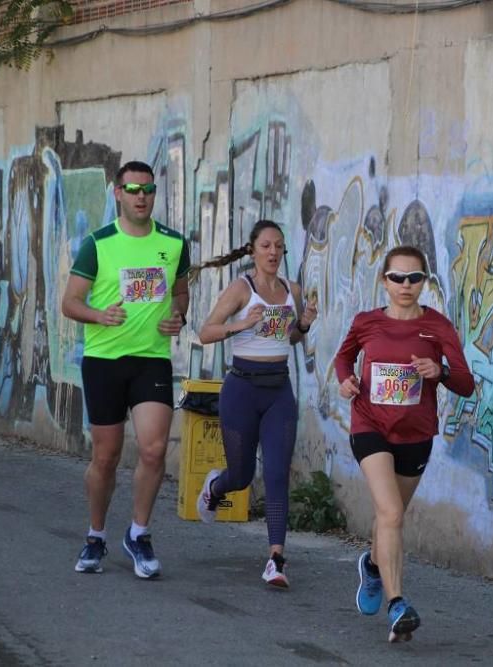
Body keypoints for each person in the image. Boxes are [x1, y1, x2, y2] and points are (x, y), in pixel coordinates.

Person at [333, 245, 475, 643]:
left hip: (416, 434)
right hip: (370, 426)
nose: (406, 285)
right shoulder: (366, 323)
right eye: (397, 277)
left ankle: (374, 567)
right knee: (391, 512)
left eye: (415, 278)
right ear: (384, 281)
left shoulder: (439, 327)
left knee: (389, 519)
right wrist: (346, 380)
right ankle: (398, 604)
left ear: (425, 282)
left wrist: (440, 371)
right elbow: (343, 359)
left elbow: (466, 383)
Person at [62, 160, 190, 579]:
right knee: (106, 456)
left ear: (154, 194)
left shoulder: (173, 244)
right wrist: (100, 316)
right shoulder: (98, 244)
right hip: (104, 361)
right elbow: (71, 303)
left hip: (150, 358)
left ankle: (138, 533)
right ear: (118, 193)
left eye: (148, 189)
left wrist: (177, 316)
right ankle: (95, 535)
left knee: (154, 450)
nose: (140, 196)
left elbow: (180, 291)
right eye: (132, 189)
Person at [194, 220, 317, 589]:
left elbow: (290, 338)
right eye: (266, 246)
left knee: (278, 474)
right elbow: (205, 331)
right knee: (242, 475)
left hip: (279, 390)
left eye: (279, 246)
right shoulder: (240, 289)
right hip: (241, 389)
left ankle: (276, 560)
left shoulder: (292, 291)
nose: (273, 253)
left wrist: (305, 325)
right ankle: (215, 488)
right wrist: (241, 324)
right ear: (253, 250)